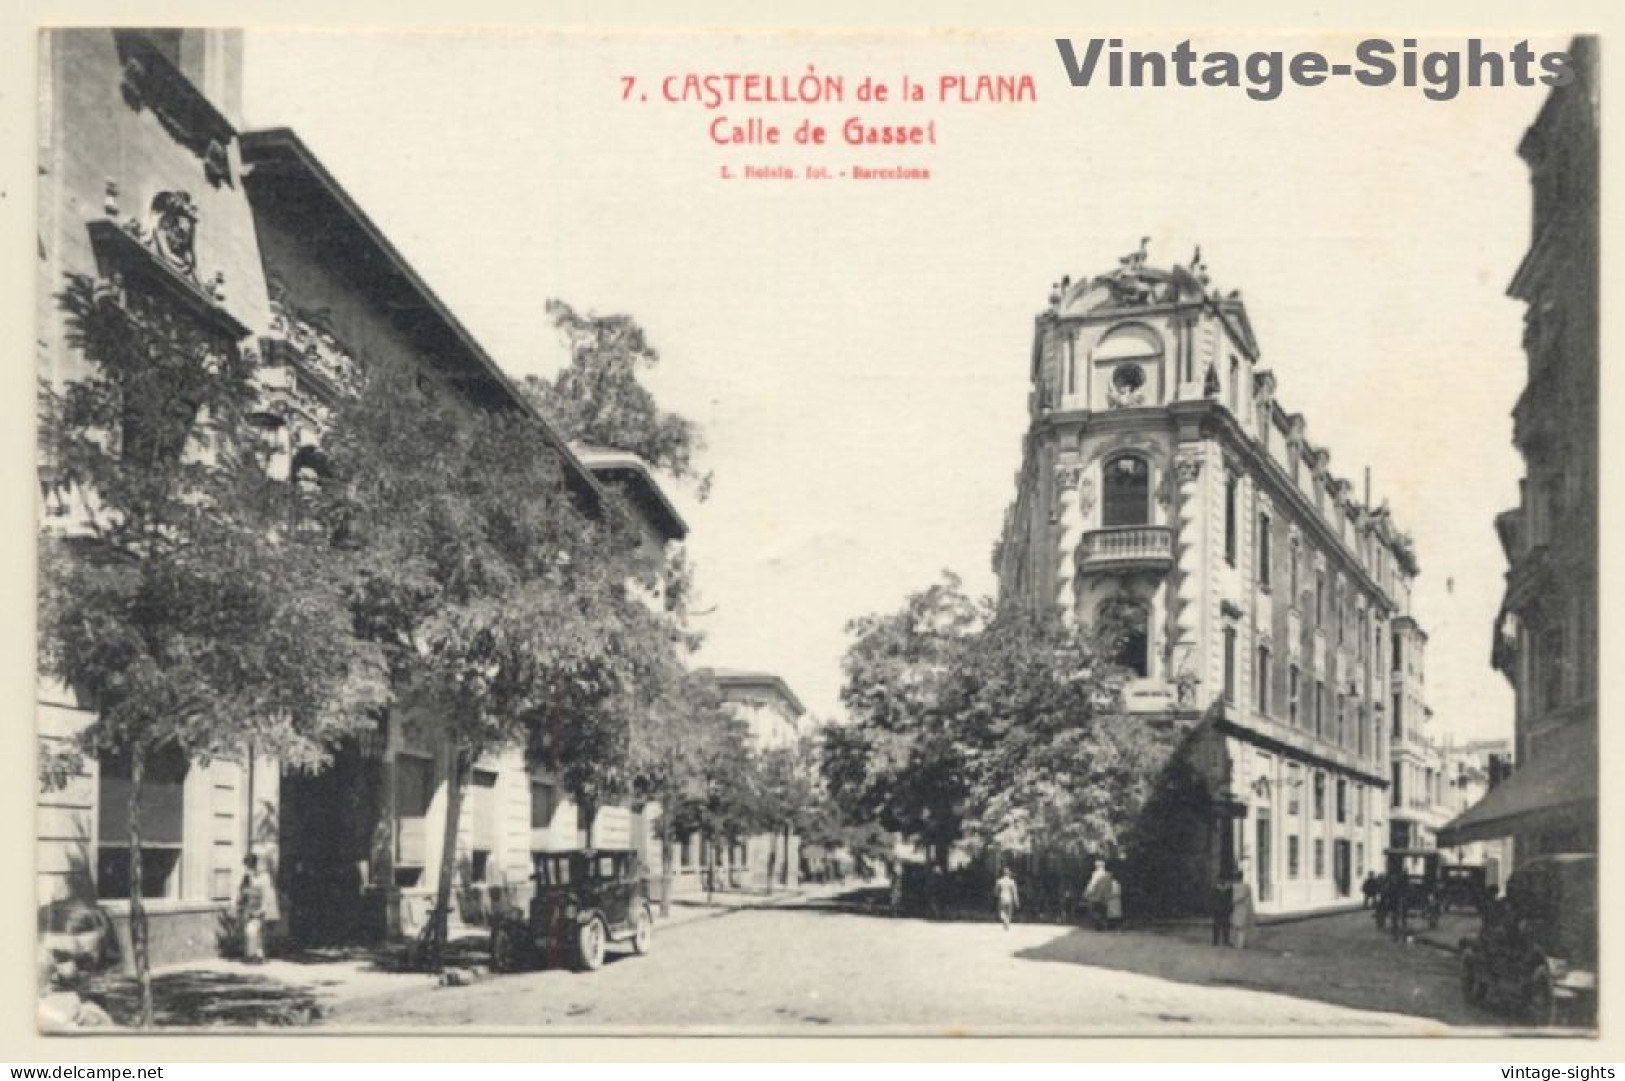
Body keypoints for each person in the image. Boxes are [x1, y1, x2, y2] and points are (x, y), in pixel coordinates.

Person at [238, 855, 266, 963]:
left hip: (257, 907)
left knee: (253, 931)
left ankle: (255, 956)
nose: (246, 868)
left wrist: (262, 909)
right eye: (246, 866)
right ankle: (253, 955)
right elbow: (242, 892)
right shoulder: (245, 878)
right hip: (247, 907)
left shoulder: (260, 878)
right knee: (250, 932)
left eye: (248, 866)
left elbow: (264, 894)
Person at [1229, 867, 1255, 950]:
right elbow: (1249, 899)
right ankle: (1240, 944)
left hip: (1236, 908)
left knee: (1237, 927)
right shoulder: (1246, 887)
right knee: (1241, 928)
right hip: (1243, 908)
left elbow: (1231, 898)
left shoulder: (1233, 887)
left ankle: (1238, 944)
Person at [1083, 860, 1111, 930]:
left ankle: (1099, 924)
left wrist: (1087, 892)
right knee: (1102, 911)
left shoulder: (1096, 874)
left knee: (1093, 910)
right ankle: (1102, 926)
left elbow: (1093, 884)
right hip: (1105, 896)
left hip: (1096, 895)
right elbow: (1109, 886)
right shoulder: (1108, 875)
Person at [1211, 873, 1233, 946]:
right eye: (1220, 879)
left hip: (1225, 908)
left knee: (1226, 925)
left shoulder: (1229, 889)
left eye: (1223, 879)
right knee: (1216, 925)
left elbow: (1231, 899)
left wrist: (1230, 907)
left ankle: (1225, 940)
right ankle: (1215, 941)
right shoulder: (1214, 888)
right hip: (1217, 908)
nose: (1221, 881)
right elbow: (1211, 899)